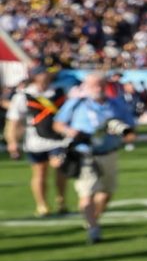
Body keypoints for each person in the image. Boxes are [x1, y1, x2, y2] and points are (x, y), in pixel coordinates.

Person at [53, 70, 138, 244]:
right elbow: (58, 124)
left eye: (100, 84)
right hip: (85, 153)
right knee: (87, 192)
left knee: (106, 193)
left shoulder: (115, 104)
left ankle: (94, 219)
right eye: (93, 84)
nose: (97, 88)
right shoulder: (77, 103)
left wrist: (123, 132)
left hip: (109, 152)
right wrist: (71, 132)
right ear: (86, 86)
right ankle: (93, 229)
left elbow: (130, 130)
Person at [5, 68, 74, 217]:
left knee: (60, 166)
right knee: (40, 173)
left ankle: (61, 200)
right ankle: (42, 204)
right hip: (35, 141)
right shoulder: (24, 96)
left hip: (58, 140)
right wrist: (12, 141)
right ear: (35, 76)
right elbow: (14, 120)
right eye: (42, 73)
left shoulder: (59, 91)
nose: (45, 76)